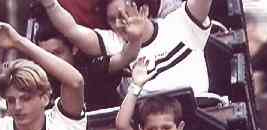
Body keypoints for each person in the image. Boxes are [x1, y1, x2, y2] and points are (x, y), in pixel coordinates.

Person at [38, 0, 213, 97]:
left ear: (143, 10)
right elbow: (71, 30)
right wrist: (49, 4)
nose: (119, 23)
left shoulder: (180, 21)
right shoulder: (113, 41)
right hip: (147, 124)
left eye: (124, 14)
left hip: (200, 110)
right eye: (112, 20)